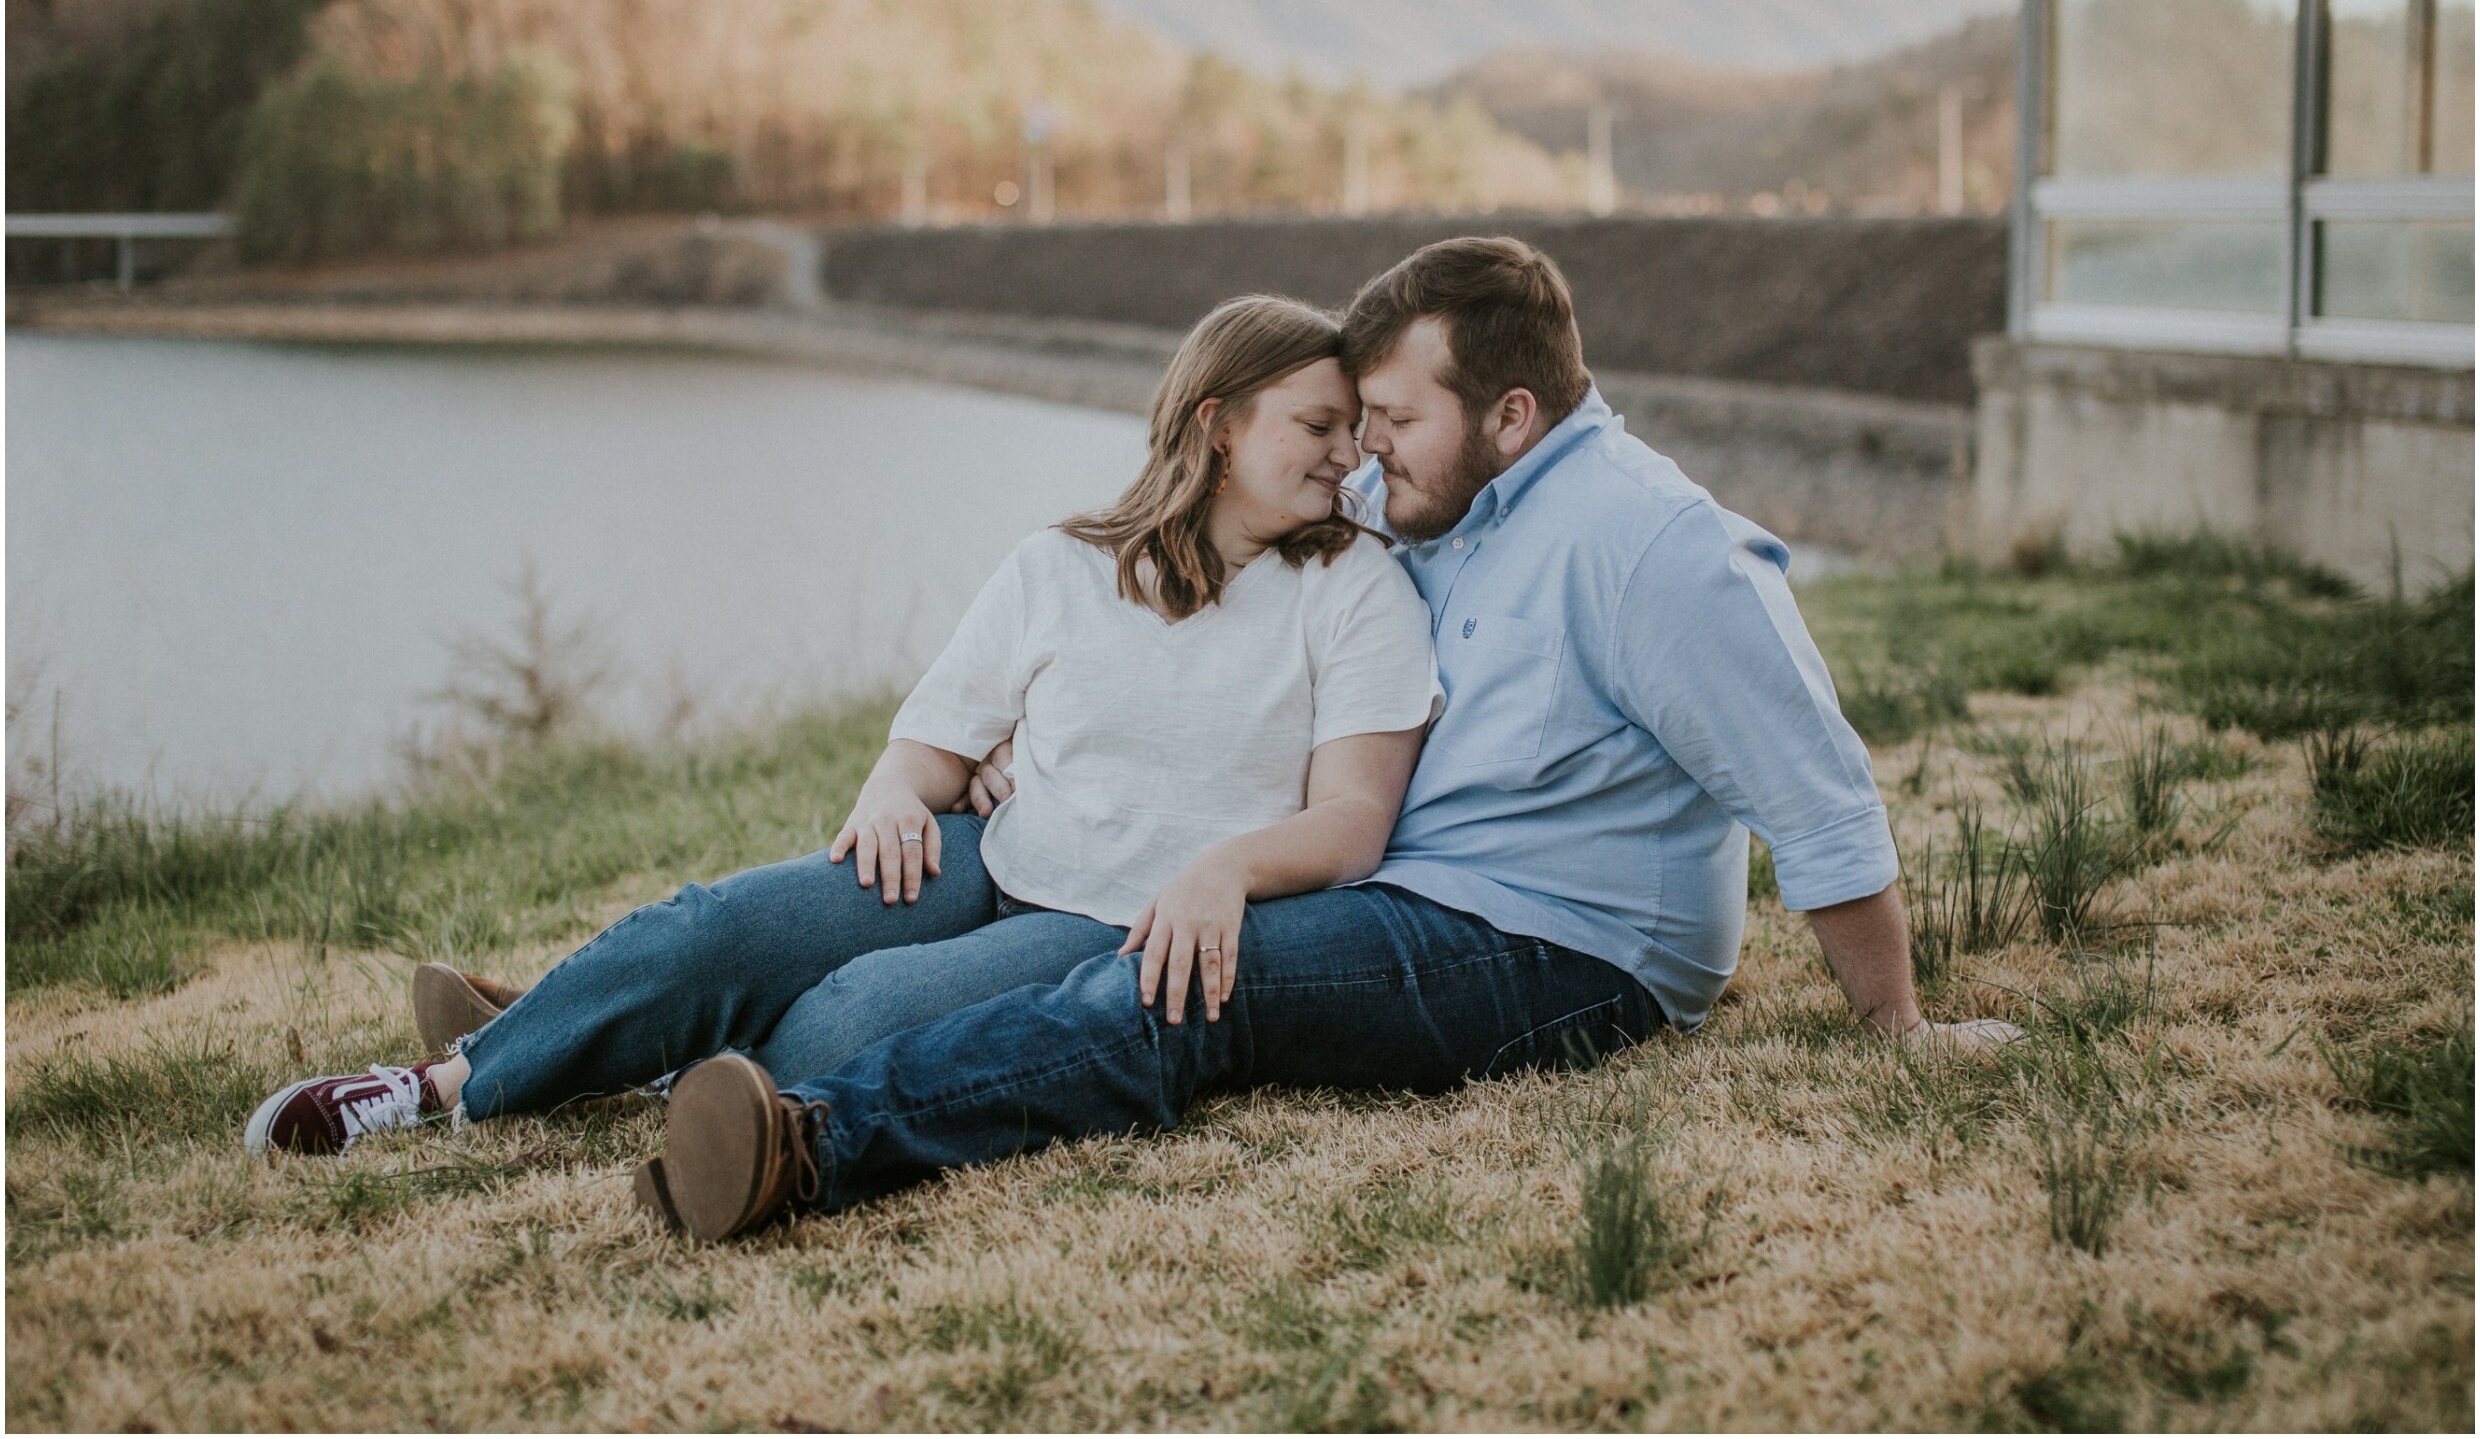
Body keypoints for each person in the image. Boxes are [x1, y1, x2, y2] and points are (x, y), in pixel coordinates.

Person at [634, 234, 2023, 1240]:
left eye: (1398, 420)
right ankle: (640, 1043)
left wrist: (1894, 1026)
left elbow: (1821, 798)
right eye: (1356, 425)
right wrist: (1034, 737)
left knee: (1188, 981)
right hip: (1393, 887)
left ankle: (815, 1148)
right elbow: (1225, 626)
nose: (1368, 453)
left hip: (1554, 943)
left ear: (1512, 414)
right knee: (965, 907)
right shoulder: (1433, 513)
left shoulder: (1654, 549)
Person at [243, 293, 1443, 1225]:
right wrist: (890, 796)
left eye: (1352, 430)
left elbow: (1351, 818)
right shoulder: (1063, 564)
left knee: (845, 1018)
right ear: (1214, 424)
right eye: (1317, 425)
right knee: (714, 930)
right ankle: (438, 1087)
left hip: (1116, 921)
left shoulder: (1352, 590)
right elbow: (930, 743)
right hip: (993, 853)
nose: (1348, 456)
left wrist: (1222, 870)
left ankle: (611, 1042)